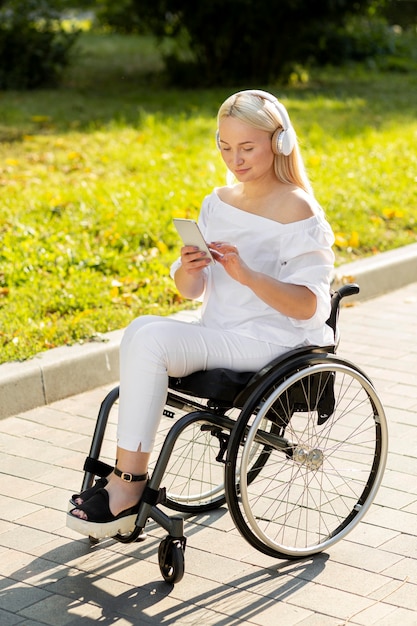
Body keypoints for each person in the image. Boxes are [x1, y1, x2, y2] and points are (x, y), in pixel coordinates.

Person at [67, 89, 335, 539]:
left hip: (273, 340)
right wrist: (189, 268)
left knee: (150, 339)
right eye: (225, 147)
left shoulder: (298, 208)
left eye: (247, 148)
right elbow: (193, 290)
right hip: (220, 330)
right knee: (139, 331)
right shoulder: (218, 200)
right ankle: (126, 477)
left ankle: (127, 486)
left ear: (280, 142)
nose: (236, 159)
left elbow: (311, 306)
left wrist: (248, 275)